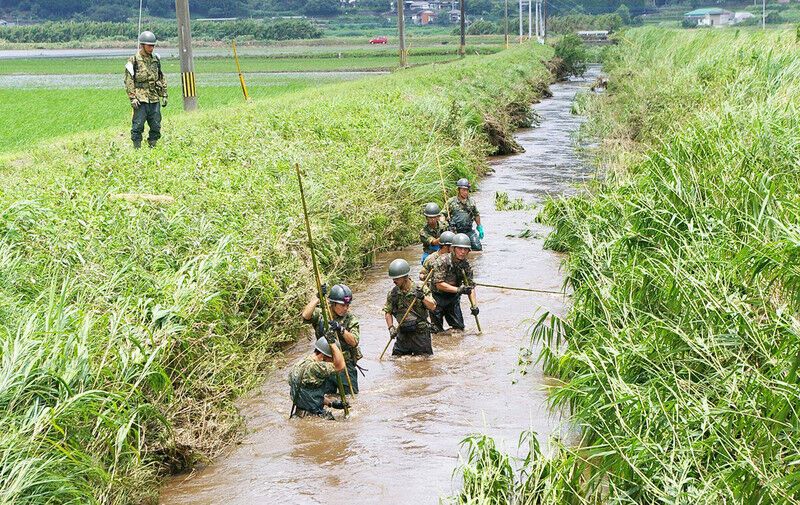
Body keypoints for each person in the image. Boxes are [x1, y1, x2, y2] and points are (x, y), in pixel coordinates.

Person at [301, 284, 362, 394]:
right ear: (333, 303)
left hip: (344, 364)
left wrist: (341, 329)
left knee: (351, 396)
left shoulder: (350, 319)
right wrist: (317, 297)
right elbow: (306, 316)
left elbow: (354, 342)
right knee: (326, 397)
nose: (345, 308)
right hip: (324, 363)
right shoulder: (322, 314)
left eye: (347, 305)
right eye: (342, 305)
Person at [384, 258, 437, 356]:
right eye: (393, 278)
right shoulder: (393, 293)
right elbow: (388, 312)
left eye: (397, 279)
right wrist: (391, 327)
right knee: (397, 361)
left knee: (424, 363)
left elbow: (433, 306)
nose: (394, 281)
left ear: (405, 277)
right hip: (403, 335)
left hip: (420, 335)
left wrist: (422, 297)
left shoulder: (420, 287)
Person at [124, 31, 167, 149]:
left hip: (153, 97)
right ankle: (137, 148)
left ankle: (152, 146)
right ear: (142, 45)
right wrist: (132, 97)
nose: (151, 48)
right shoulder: (133, 60)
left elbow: (160, 76)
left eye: (153, 46)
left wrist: (164, 94)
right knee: (137, 126)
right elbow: (129, 80)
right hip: (140, 99)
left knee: (156, 125)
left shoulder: (156, 59)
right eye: (149, 46)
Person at [288, 337, 348, 420]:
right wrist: (332, 344)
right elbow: (340, 366)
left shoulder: (299, 364)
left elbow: (309, 394)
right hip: (313, 418)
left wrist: (331, 403)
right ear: (324, 356)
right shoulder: (315, 368)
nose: (331, 362)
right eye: (331, 359)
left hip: (299, 416)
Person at [431, 233, 478, 331]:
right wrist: (459, 289)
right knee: (436, 331)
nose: (462, 252)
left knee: (459, 329)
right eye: (460, 249)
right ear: (453, 249)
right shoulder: (442, 261)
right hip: (437, 298)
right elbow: (439, 284)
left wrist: (474, 306)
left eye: (465, 249)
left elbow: (470, 287)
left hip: (452, 299)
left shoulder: (466, 266)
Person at [447, 179, 483, 251]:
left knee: (477, 248)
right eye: (463, 190)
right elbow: (442, 214)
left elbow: (476, 214)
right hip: (455, 231)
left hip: (468, 231)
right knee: (453, 250)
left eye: (467, 190)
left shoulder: (471, 202)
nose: (465, 192)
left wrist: (479, 226)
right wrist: (444, 224)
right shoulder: (451, 202)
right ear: (458, 190)